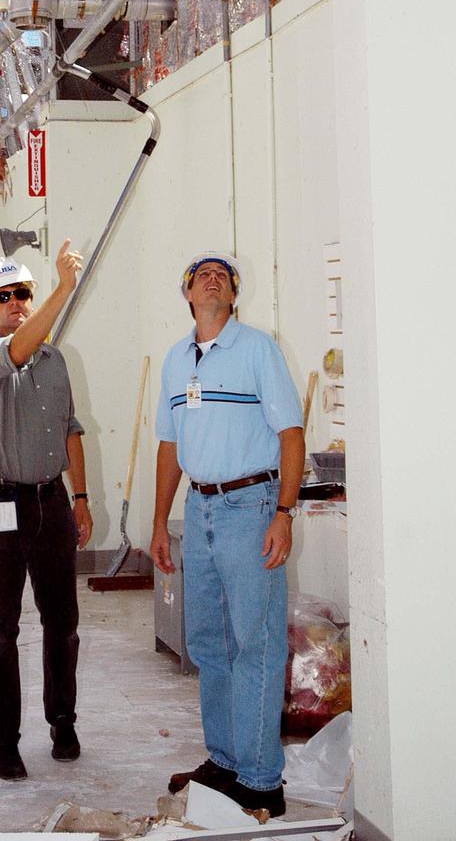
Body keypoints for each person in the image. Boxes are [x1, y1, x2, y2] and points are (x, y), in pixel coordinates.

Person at [150, 252, 304, 819]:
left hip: (251, 507)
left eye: (224, 275)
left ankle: (262, 779)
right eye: (201, 274)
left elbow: (291, 434)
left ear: (233, 296)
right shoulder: (174, 361)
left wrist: (283, 513)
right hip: (201, 508)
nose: (213, 278)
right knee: (209, 644)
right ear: (187, 293)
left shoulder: (258, 349)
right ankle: (225, 759)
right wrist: (160, 521)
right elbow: (169, 446)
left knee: (255, 644)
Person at [0, 240, 93, 781]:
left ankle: (62, 723)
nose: (14, 302)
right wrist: (65, 287)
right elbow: (17, 349)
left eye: (22, 293)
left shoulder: (57, 360)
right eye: (3, 296)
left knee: (63, 624)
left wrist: (81, 498)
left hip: (51, 505)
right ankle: (6, 741)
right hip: (1, 508)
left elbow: (70, 431)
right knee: (2, 630)